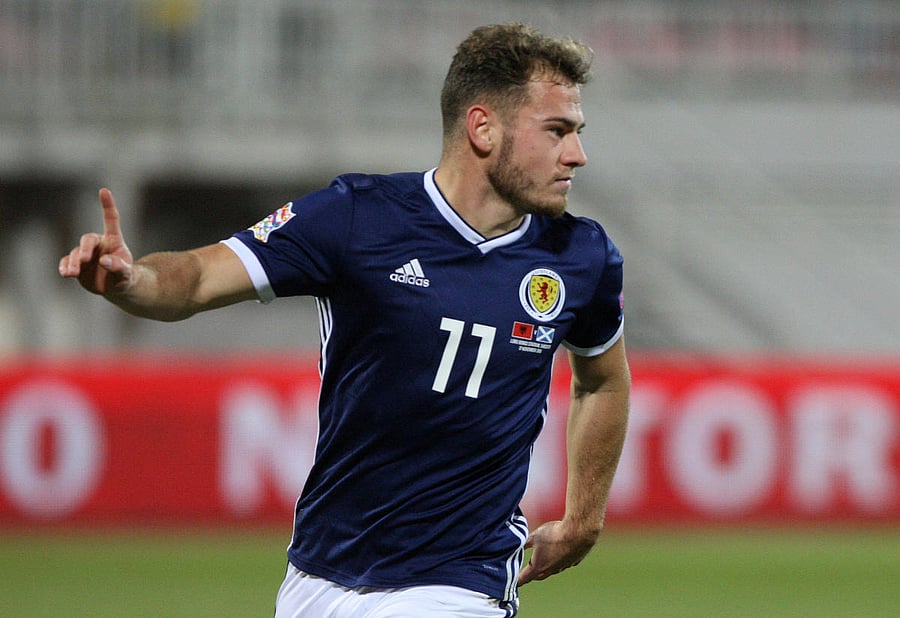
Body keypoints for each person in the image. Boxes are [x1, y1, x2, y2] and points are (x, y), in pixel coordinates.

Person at [59, 22, 630, 618]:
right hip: (320, 576)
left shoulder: (581, 257)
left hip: (460, 581)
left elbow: (603, 379)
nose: (578, 155)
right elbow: (200, 278)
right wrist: (133, 281)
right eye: (557, 131)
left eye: (577, 133)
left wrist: (583, 520)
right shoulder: (357, 217)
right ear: (483, 128)